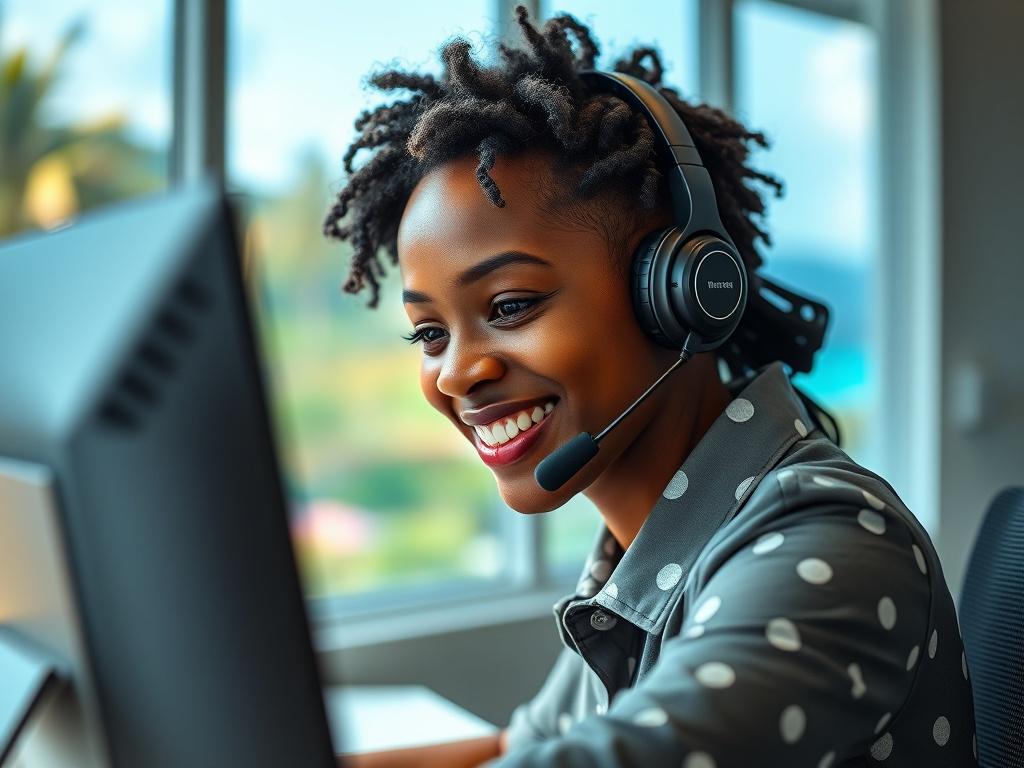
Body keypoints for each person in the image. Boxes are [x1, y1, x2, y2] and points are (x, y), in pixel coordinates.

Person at [323, 6, 976, 767]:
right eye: (430, 333)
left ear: (683, 290)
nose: (459, 371)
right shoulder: (647, 552)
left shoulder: (831, 543)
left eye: (510, 306)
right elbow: (519, 747)